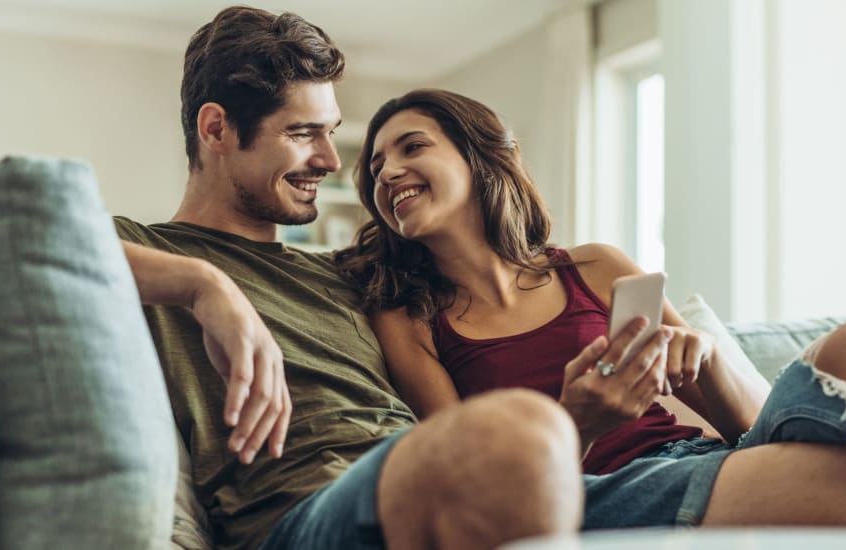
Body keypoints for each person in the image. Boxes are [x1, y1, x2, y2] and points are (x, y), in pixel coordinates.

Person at [335, 88, 846, 530]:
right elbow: (475, 486)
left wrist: (701, 360)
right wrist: (576, 421)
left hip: (703, 455)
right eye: (376, 165)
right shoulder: (408, 317)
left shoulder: (595, 266)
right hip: (596, 491)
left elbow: (751, 428)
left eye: (411, 148)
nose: (386, 172)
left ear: (480, 159)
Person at [116, 7, 586, 550]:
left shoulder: (352, 276)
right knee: (522, 430)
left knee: (697, 483)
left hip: (416, 474)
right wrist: (206, 286)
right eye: (302, 133)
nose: (330, 161)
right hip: (301, 512)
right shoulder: (146, 252)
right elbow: (14, 239)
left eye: (331, 132)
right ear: (216, 129)